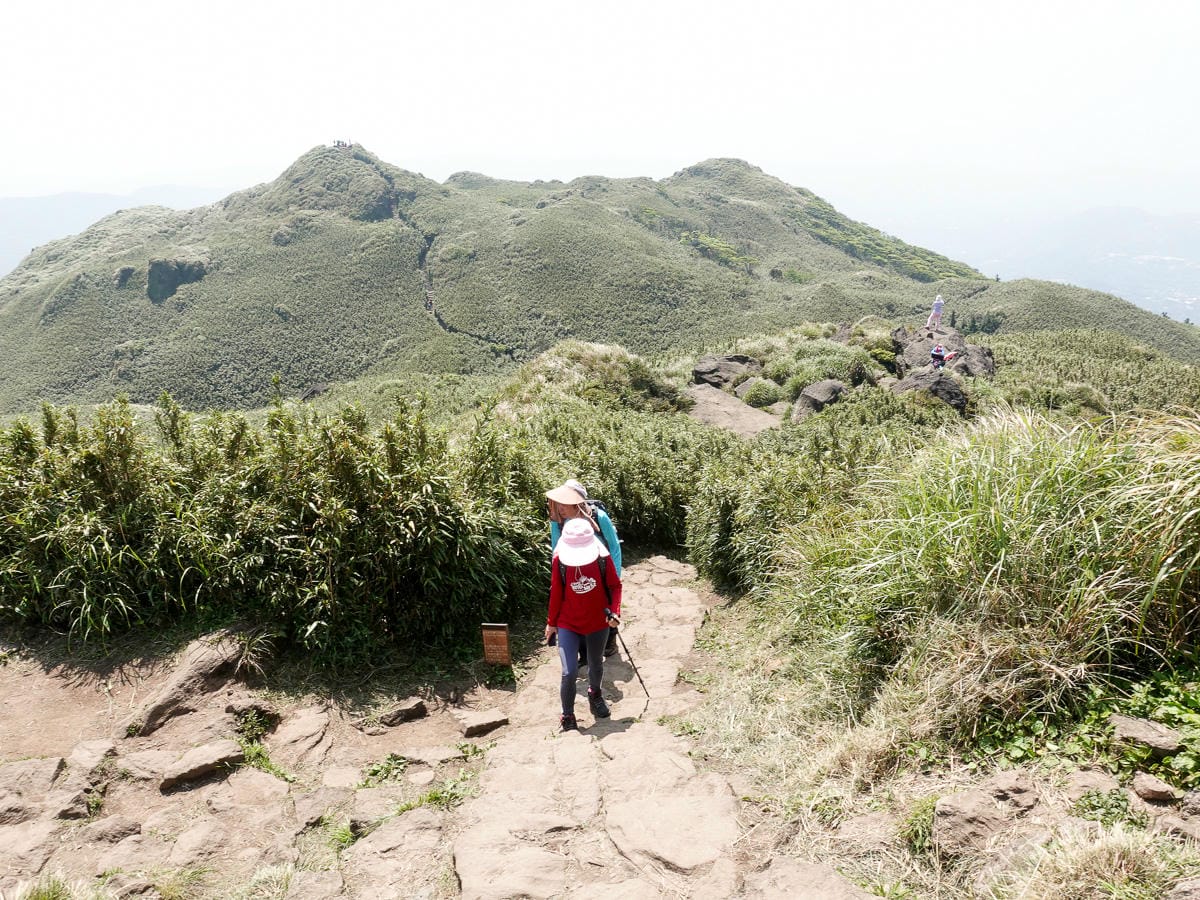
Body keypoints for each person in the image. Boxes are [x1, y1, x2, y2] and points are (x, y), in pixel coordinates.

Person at [545, 518, 622, 731]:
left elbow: (615, 586)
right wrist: (551, 623)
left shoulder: (602, 559)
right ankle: (568, 715)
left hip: (598, 621)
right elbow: (556, 592)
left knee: (596, 663)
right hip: (568, 622)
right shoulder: (560, 561)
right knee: (568, 671)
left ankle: (594, 694)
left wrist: (615, 612)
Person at [546, 480, 622, 657]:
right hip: (572, 570)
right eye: (559, 503)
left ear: (576, 503)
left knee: (606, 608)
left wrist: (615, 575)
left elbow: (614, 546)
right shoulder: (557, 521)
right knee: (576, 611)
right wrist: (559, 577)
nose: (560, 508)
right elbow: (556, 549)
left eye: (565, 503)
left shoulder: (599, 516)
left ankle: (609, 643)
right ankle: (584, 653)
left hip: (601, 570)